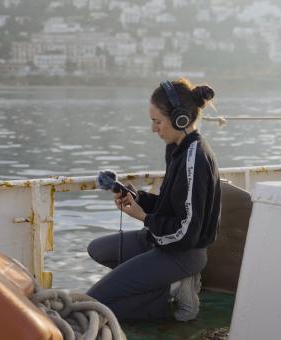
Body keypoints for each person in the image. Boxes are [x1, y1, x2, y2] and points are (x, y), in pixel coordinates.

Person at [86, 77, 221, 321]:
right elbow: (170, 205)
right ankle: (171, 286)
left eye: (157, 122)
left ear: (181, 119)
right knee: (97, 249)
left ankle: (173, 290)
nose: (153, 128)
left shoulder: (195, 159)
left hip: (183, 252)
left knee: (97, 306)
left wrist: (143, 217)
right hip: (161, 240)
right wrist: (137, 197)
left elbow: (186, 232)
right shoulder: (176, 147)